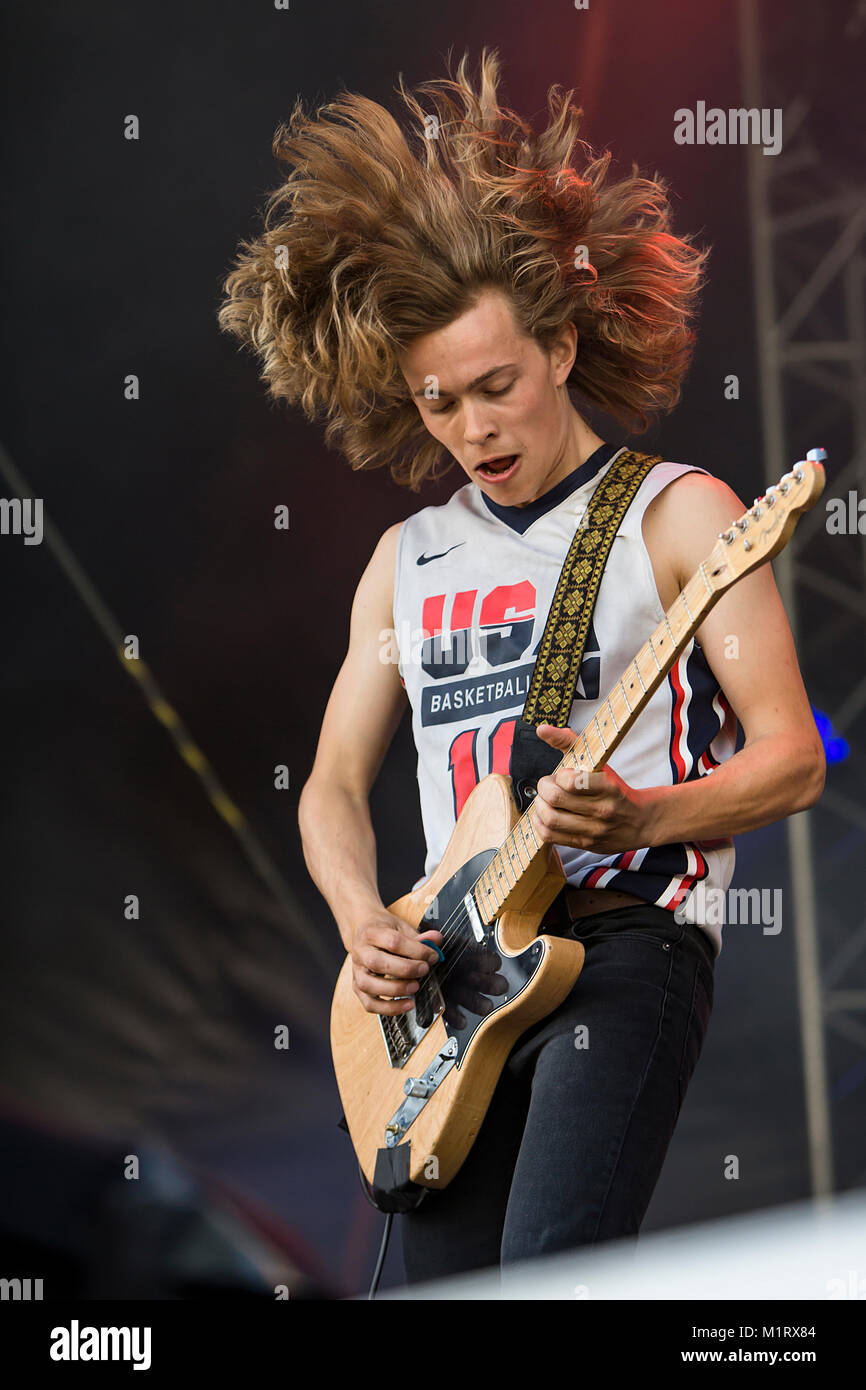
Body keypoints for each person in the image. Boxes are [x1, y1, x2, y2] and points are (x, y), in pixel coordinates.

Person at [218, 49, 825, 1288]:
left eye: (494, 387)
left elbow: (792, 756)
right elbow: (331, 783)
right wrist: (358, 926)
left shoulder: (677, 513)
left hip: (622, 944)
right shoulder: (408, 558)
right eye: (438, 403)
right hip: (449, 977)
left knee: (555, 1269)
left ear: (555, 344)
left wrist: (644, 812)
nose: (470, 430)